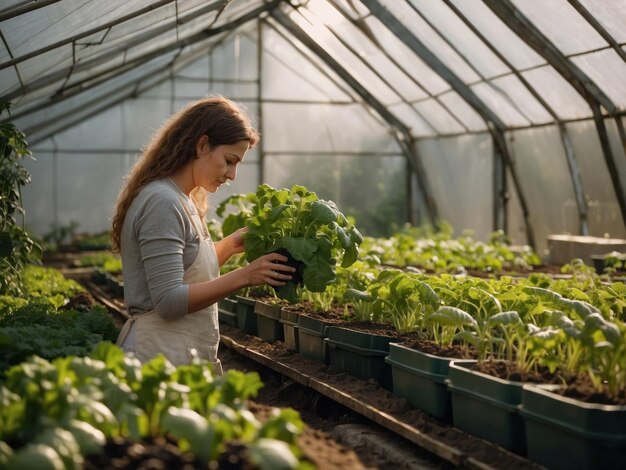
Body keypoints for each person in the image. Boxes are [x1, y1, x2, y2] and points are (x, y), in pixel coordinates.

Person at [110, 96, 294, 374]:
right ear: (202, 145)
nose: (232, 174)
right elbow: (169, 300)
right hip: (157, 360)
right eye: (229, 161)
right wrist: (246, 275)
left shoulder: (180, 198)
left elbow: (185, 271)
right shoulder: (163, 202)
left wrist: (231, 246)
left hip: (174, 354)